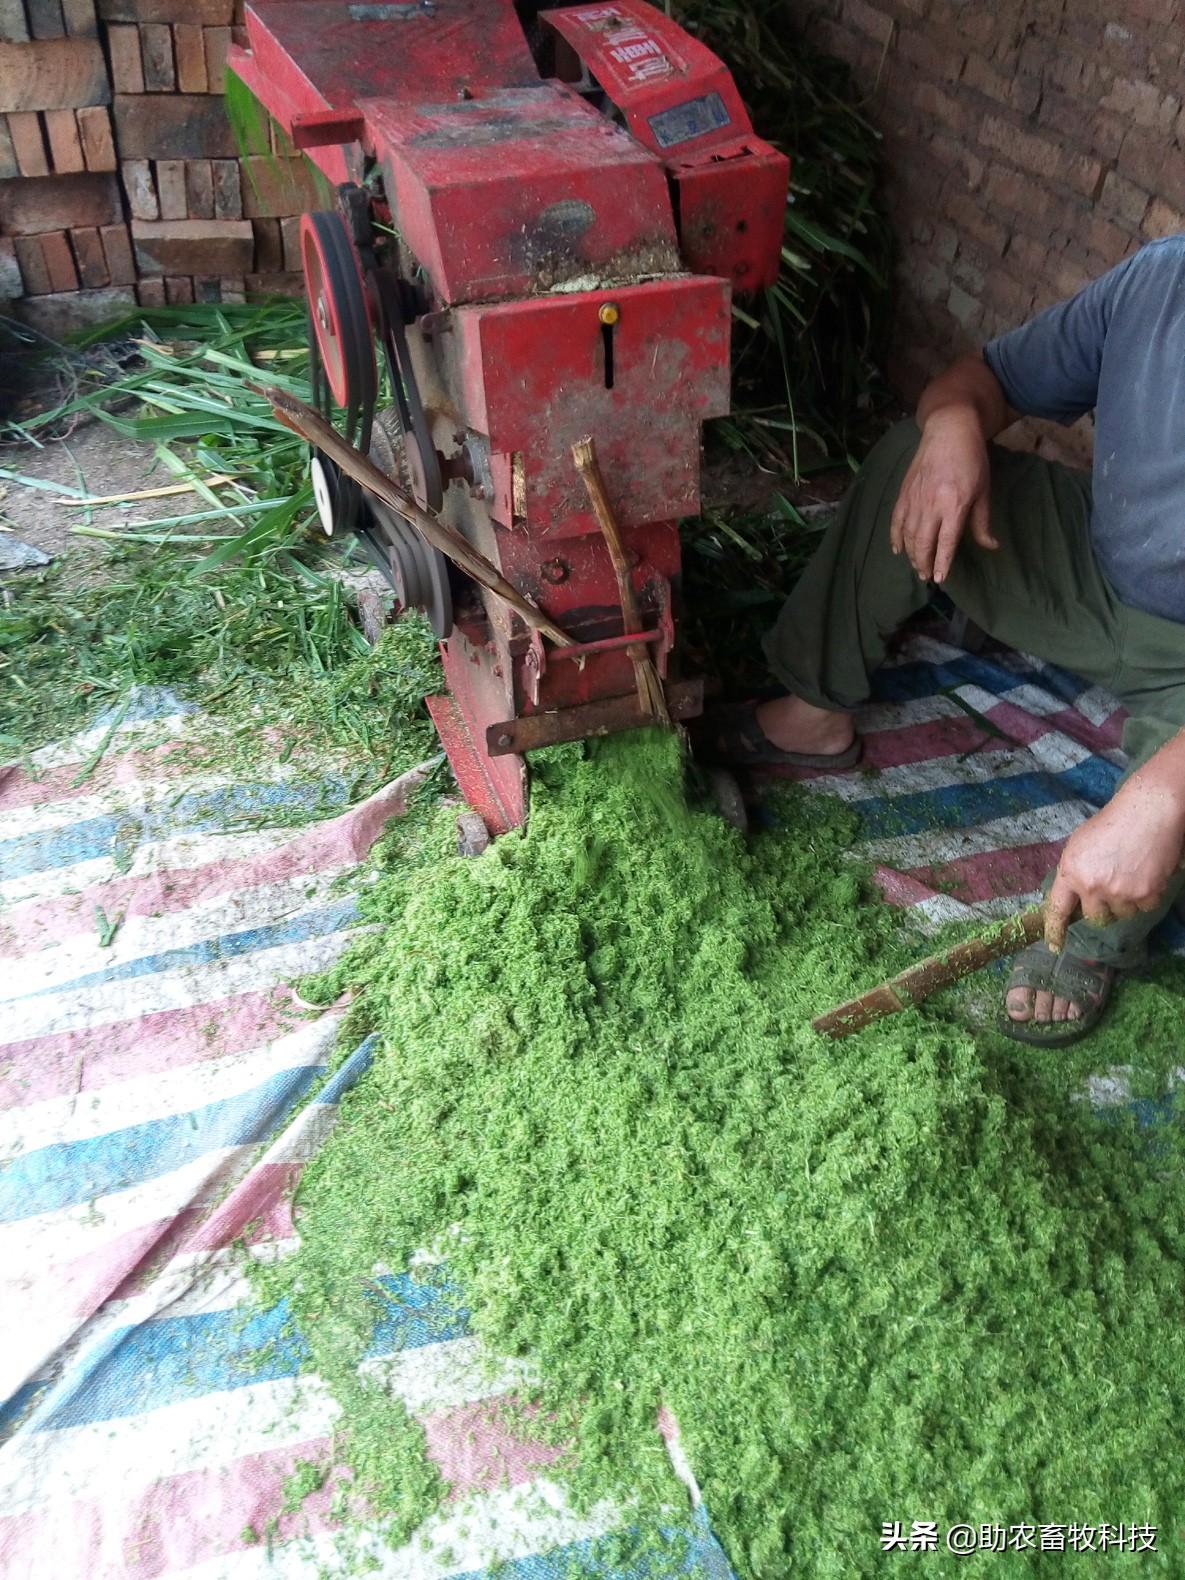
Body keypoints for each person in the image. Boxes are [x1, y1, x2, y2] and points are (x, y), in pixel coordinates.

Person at [714, 235, 1185, 1044]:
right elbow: (983, 378)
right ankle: (813, 709)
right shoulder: (1161, 279)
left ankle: (1099, 938)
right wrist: (954, 424)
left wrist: (1166, 791)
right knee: (911, 457)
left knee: (1152, 827)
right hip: (1099, 567)